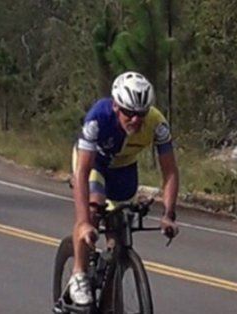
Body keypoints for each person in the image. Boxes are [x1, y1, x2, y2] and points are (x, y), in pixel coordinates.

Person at [68, 71, 180, 305]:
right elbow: (82, 172)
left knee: (118, 234)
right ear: (117, 107)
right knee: (93, 206)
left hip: (124, 169)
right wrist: (85, 222)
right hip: (94, 163)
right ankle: (78, 273)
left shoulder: (157, 124)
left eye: (141, 113)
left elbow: (169, 171)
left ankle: (110, 296)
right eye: (129, 113)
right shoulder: (98, 117)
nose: (136, 120)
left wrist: (168, 215)